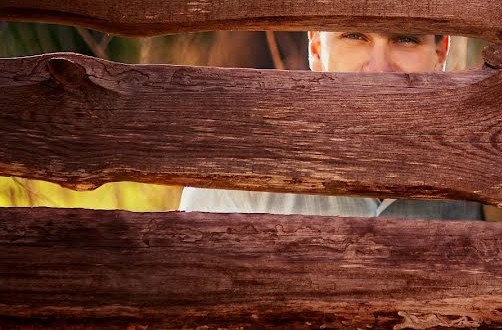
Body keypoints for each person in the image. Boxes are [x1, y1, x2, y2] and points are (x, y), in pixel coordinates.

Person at [179, 31, 484, 220]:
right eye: (354, 35)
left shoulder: (485, 169)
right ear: (315, 48)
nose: (379, 68)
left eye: (405, 38)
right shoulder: (235, 175)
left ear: (440, 53)